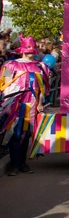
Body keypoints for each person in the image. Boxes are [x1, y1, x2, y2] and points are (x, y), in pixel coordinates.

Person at [0, 37, 50, 175]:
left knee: (26, 134)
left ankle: (22, 163)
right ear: (22, 50)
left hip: (31, 105)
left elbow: (42, 88)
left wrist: (40, 102)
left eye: (32, 50)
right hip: (15, 105)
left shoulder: (40, 67)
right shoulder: (10, 65)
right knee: (14, 134)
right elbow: (5, 85)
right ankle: (15, 164)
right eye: (28, 50)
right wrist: (8, 103)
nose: (30, 53)